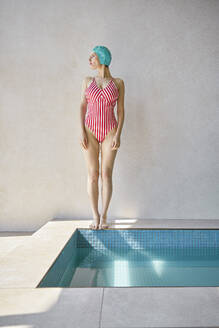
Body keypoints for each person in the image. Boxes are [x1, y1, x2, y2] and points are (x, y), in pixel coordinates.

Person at [79, 45, 125, 230]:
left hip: (110, 131)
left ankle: (105, 215)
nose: (90, 59)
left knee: (106, 174)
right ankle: (95, 215)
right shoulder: (87, 80)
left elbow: (121, 111)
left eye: (93, 56)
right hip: (90, 130)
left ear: (102, 58)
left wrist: (118, 134)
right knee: (92, 175)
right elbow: (82, 106)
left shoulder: (119, 83)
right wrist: (81, 130)